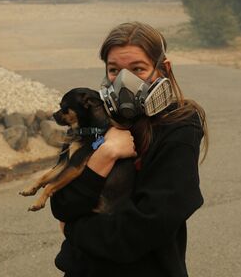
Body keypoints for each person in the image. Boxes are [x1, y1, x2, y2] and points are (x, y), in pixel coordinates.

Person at [50, 21, 209, 277]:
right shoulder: (90, 120)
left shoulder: (179, 128)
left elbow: (144, 228)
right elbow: (62, 204)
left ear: (163, 70)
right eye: (114, 70)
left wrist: (73, 230)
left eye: (138, 69)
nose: (124, 81)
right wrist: (104, 155)